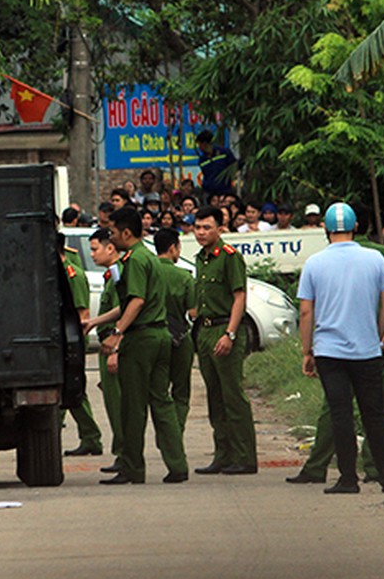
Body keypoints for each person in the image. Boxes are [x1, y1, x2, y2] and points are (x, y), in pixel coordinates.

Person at [295, 202, 384, 494]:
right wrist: (380, 335)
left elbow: (306, 313)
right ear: (356, 228)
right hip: (367, 351)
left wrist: (307, 351)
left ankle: (348, 479)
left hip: (330, 353)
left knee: (341, 413)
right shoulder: (375, 260)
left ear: (326, 229)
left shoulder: (315, 263)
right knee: (375, 415)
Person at [81, 207, 189, 485]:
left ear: (126, 233)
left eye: (113, 232)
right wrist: (96, 322)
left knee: (132, 406)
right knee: (162, 402)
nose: (111, 236)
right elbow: (125, 304)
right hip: (160, 336)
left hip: (141, 340)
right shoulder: (147, 257)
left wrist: (117, 334)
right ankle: (177, 465)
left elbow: (136, 302)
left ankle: (132, 468)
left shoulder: (134, 261)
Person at [191, 206, 259, 475]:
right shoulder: (200, 258)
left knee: (233, 396)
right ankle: (223, 455)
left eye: (207, 227)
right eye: (197, 227)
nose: (201, 233)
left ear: (220, 229)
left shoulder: (229, 257)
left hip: (224, 330)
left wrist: (230, 334)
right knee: (215, 397)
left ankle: (245, 457)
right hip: (205, 332)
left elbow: (239, 297)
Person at [58, 232, 103, 457]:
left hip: (71, 341)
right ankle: (89, 437)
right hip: (63, 340)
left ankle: (90, 437)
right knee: (70, 390)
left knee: (70, 389)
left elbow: (82, 312)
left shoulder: (71, 275)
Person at [89, 228, 126, 474]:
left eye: (95, 249)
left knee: (120, 406)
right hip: (107, 343)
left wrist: (116, 348)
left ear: (110, 248)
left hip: (115, 345)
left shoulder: (119, 274)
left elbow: (126, 310)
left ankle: (125, 456)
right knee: (114, 406)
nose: (92, 254)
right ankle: (122, 455)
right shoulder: (110, 274)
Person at [154, 228, 196, 432]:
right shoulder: (184, 276)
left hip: (153, 337)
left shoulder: (147, 271)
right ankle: (175, 432)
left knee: (159, 392)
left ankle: (164, 433)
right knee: (180, 391)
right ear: (173, 248)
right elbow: (194, 311)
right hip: (179, 338)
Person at [196, 130, 240, 198]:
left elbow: (234, 166)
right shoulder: (202, 160)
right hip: (209, 192)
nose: (199, 147)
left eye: (199, 144)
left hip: (225, 190)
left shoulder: (224, 153)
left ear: (204, 144)